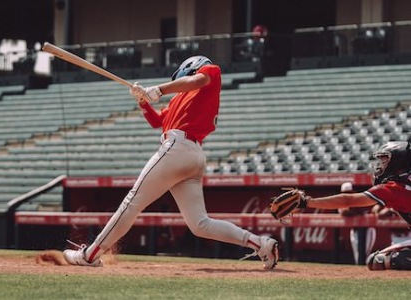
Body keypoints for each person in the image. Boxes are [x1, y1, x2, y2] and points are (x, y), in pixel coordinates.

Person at [63, 55, 279, 269]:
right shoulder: (181, 98)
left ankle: (90, 255)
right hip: (191, 156)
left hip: (178, 149)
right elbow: (158, 121)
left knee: (132, 202)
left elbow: (196, 81)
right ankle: (261, 243)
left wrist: (159, 89)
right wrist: (142, 101)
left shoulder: (210, 71)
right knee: (200, 224)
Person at [295, 141, 411, 270]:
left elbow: (347, 201)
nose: (380, 166)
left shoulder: (395, 187)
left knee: (379, 260)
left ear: (397, 162)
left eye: (384, 161)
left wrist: (308, 202)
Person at [337, 182, 376, 265]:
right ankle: (360, 275)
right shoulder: (342, 202)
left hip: (368, 230)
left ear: (353, 192)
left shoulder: (359, 199)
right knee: (357, 257)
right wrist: (352, 211)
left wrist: (353, 210)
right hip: (354, 230)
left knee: (364, 256)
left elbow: (357, 211)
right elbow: (344, 212)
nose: (346, 195)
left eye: (348, 193)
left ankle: (366, 275)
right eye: (344, 193)